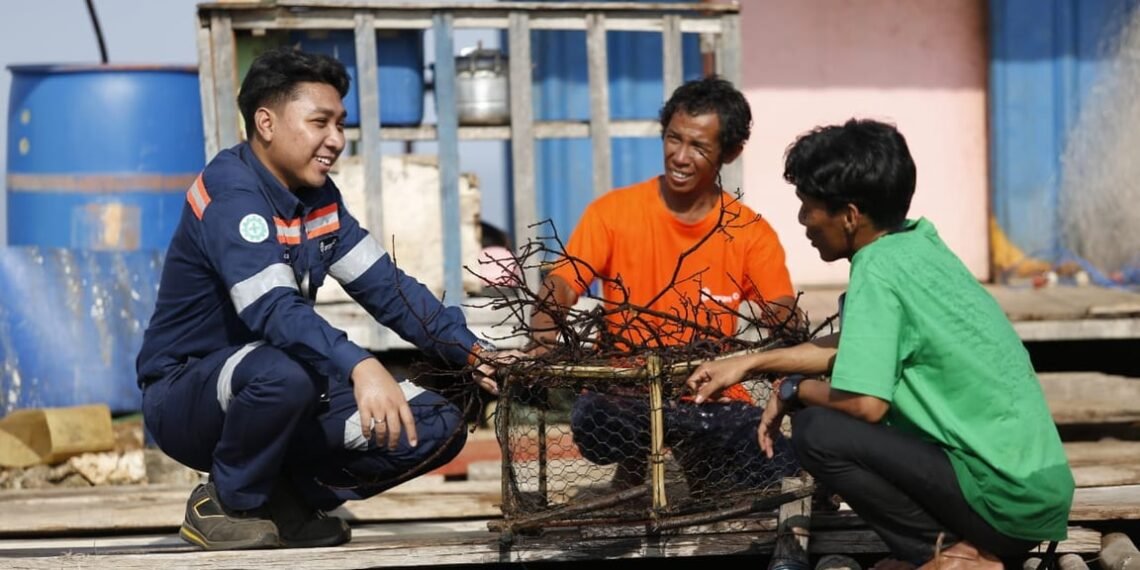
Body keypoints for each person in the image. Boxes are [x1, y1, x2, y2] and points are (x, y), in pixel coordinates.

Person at [136, 47, 516, 551]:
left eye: (340, 124)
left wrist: (471, 350)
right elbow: (271, 307)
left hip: (280, 383)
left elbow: (390, 290)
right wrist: (361, 366)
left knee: (436, 424)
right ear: (265, 122)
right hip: (189, 392)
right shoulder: (232, 193)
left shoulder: (318, 200)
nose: (335, 140)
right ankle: (225, 502)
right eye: (320, 122)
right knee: (284, 374)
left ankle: (288, 500)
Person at [685, 119, 1074, 568]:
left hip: (1004, 504)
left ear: (850, 215)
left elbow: (865, 403)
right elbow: (856, 345)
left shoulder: (876, 268)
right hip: (1038, 492)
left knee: (818, 429)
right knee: (819, 406)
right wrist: (752, 363)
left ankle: (950, 553)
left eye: (808, 207)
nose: (802, 221)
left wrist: (791, 391)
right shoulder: (916, 243)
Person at [529, 76, 802, 493]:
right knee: (596, 419)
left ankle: (698, 474)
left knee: (774, 462)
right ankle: (639, 470)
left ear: (730, 152)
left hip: (708, 396)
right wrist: (545, 328)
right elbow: (564, 281)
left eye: (699, 147)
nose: (680, 156)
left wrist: (787, 322)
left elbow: (779, 303)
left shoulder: (750, 231)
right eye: (673, 139)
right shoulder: (613, 213)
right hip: (624, 395)